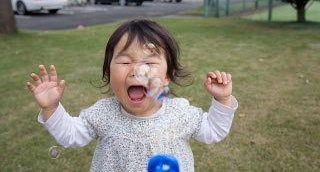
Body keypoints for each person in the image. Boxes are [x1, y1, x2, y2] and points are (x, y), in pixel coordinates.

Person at [26, 19, 238, 172]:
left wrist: (222, 100)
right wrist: (51, 108)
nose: (136, 70)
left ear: (167, 76)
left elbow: (213, 131)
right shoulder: (103, 114)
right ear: (108, 73)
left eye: (149, 63)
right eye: (125, 62)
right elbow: (70, 135)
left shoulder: (180, 113)